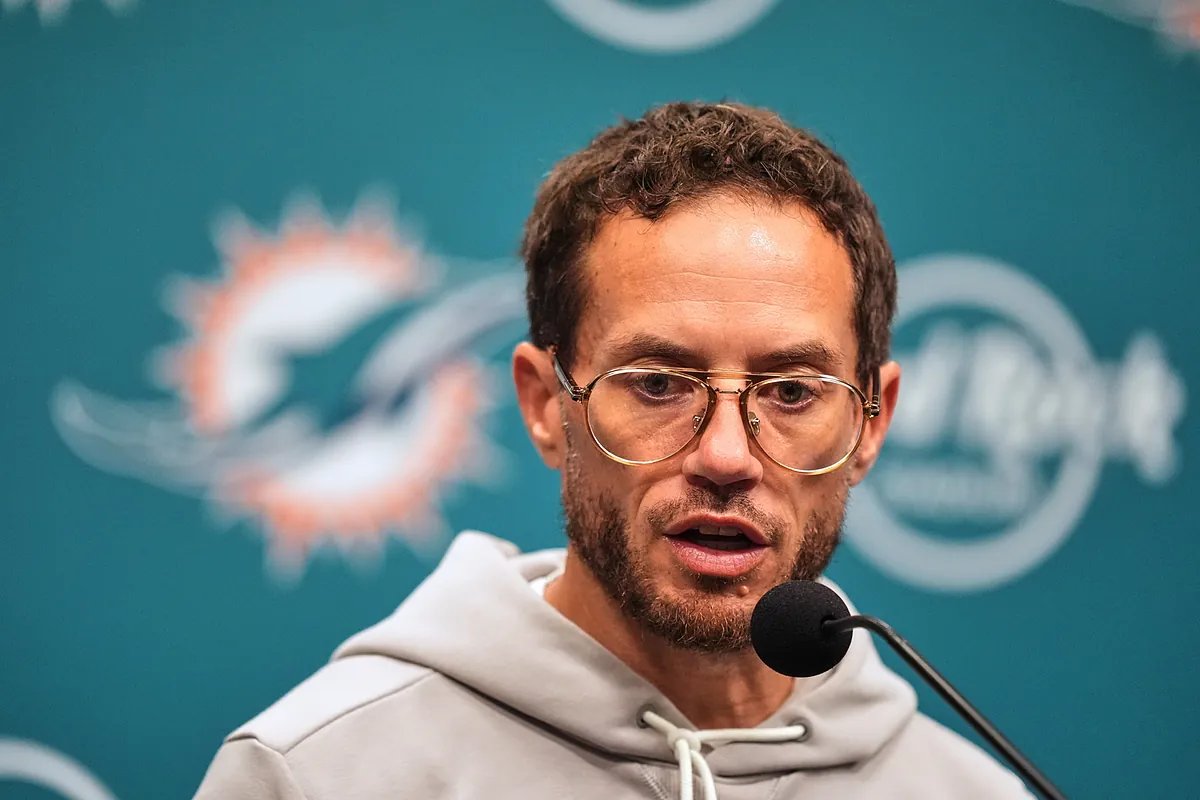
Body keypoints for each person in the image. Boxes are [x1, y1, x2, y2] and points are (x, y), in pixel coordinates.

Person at [193, 102, 1033, 799]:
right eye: (660, 383)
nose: (729, 457)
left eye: (791, 392)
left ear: (872, 424)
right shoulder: (314, 776)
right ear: (545, 405)